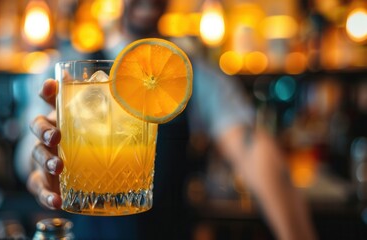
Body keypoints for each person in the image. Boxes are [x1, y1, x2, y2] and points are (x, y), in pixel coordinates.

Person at [23, 0, 317, 239]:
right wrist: (42, 160)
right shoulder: (66, 69)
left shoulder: (191, 75)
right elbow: (27, 145)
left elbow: (251, 147)